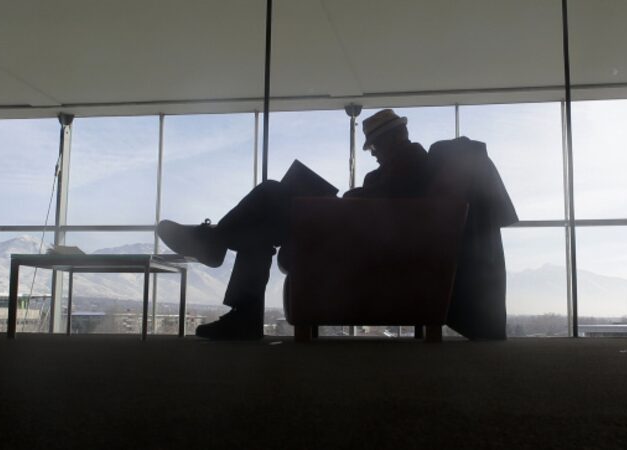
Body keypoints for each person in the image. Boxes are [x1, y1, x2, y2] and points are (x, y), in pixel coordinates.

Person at [158, 109, 431, 339]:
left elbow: (384, 207)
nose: (372, 153)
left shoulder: (413, 161)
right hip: (344, 232)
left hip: (347, 238)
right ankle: (245, 317)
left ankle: (214, 241)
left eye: (374, 145)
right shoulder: (393, 169)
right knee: (258, 231)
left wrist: (345, 198)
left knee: (269, 191)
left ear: (395, 137)